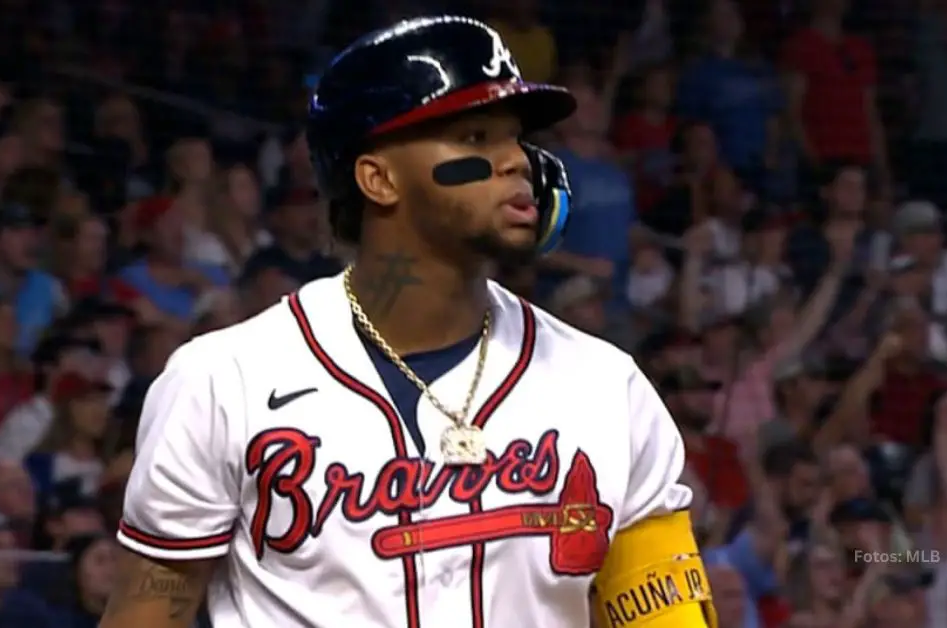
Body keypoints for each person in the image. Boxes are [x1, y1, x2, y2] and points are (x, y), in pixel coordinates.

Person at [101, 15, 713, 628]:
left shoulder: (608, 387)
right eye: (475, 138)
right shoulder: (223, 382)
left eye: (515, 139)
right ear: (379, 178)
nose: (518, 162)